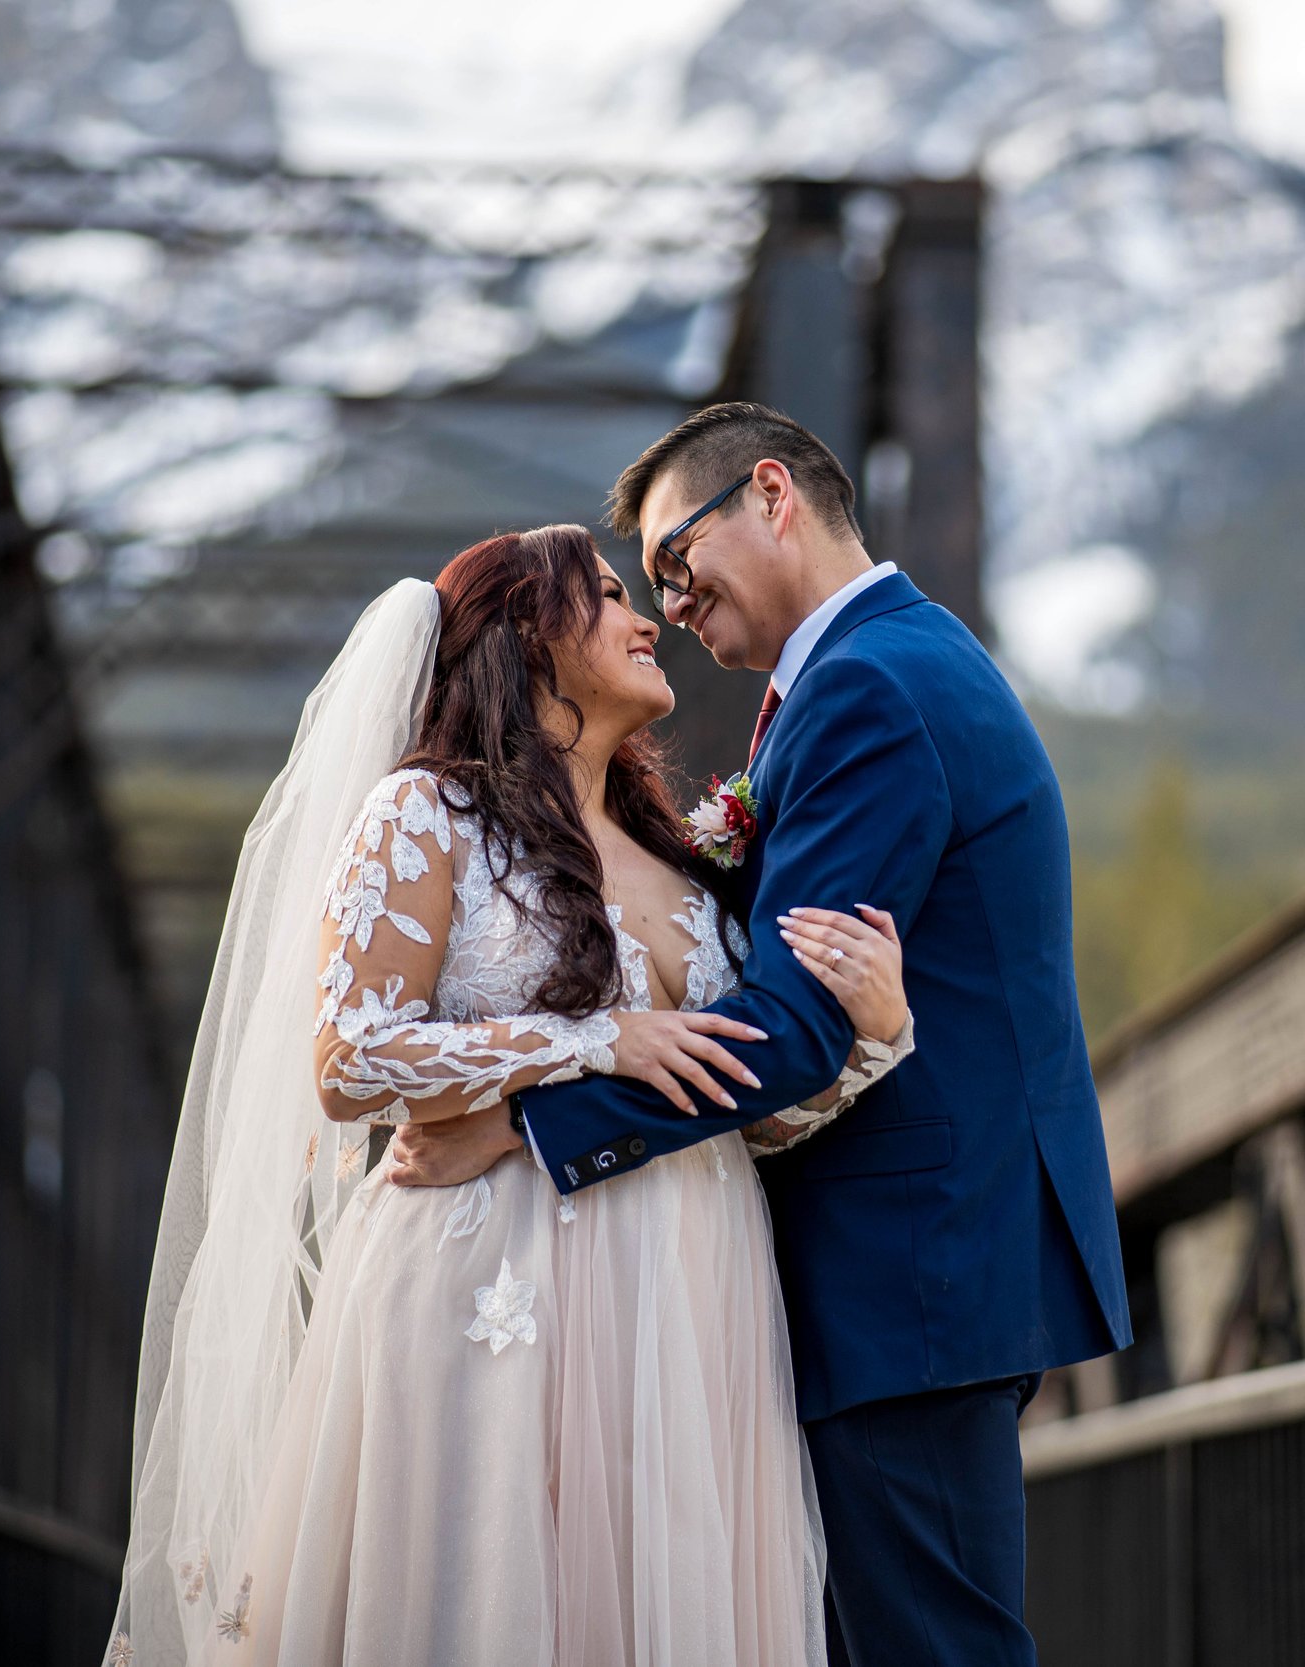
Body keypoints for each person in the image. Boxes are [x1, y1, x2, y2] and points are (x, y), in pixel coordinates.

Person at [394, 403, 1132, 1666]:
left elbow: (791, 1025)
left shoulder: (867, 688)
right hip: (911, 1268)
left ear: (772, 495)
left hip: (902, 1273)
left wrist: (528, 1119)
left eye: (677, 560)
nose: (670, 602)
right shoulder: (884, 666)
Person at [104, 525, 915, 1665]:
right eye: (612, 596)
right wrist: (594, 1039)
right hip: (492, 1281)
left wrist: (875, 1036)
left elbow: (746, 1103)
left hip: (691, 1296)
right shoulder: (423, 814)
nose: (651, 621)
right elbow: (350, 1058)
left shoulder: (675, 853)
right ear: (529, 636)